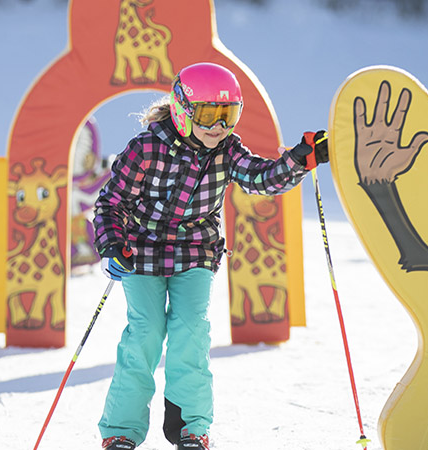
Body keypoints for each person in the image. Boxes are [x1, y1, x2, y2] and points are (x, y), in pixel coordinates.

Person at [92, 62, 329, 450]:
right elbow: (111, 203)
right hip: (142, 253)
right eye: (208, 115)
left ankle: (190, 427)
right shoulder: (146, 148)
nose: (218, 126)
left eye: (228, 115)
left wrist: (301, 158)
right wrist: (112, 244)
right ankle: (121, 430)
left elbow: (261, 177)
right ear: (183, 110)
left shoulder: (226, 150)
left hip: (195, 252)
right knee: (145, 334)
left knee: (191, 333)